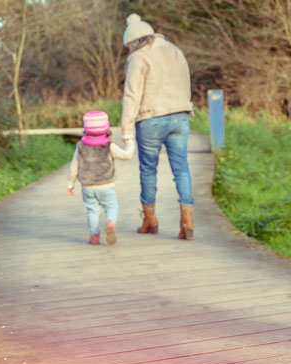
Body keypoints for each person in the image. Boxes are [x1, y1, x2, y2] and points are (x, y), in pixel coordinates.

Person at [120, 14, 196, 240]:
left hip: (151, 118)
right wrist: (183, 105)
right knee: (181, 168)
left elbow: (132, 95)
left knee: (148, 169)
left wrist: (126, 129)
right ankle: (187, 222)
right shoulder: (175, 50)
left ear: (134, 42)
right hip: (180, 116)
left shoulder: (138, 58)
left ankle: (150, 220)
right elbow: (186, 81)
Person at [67, 110, 133, 245]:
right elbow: (127, 155)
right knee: (111, 206)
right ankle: (110, 223)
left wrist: (70, 184)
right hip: (106, 185)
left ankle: (94, 235)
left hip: (87, 186)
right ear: (106, 127)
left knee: (92, 210)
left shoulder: (81, 146)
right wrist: (130, 143)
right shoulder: (109, 146)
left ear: (86, 128)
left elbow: (74, 166)